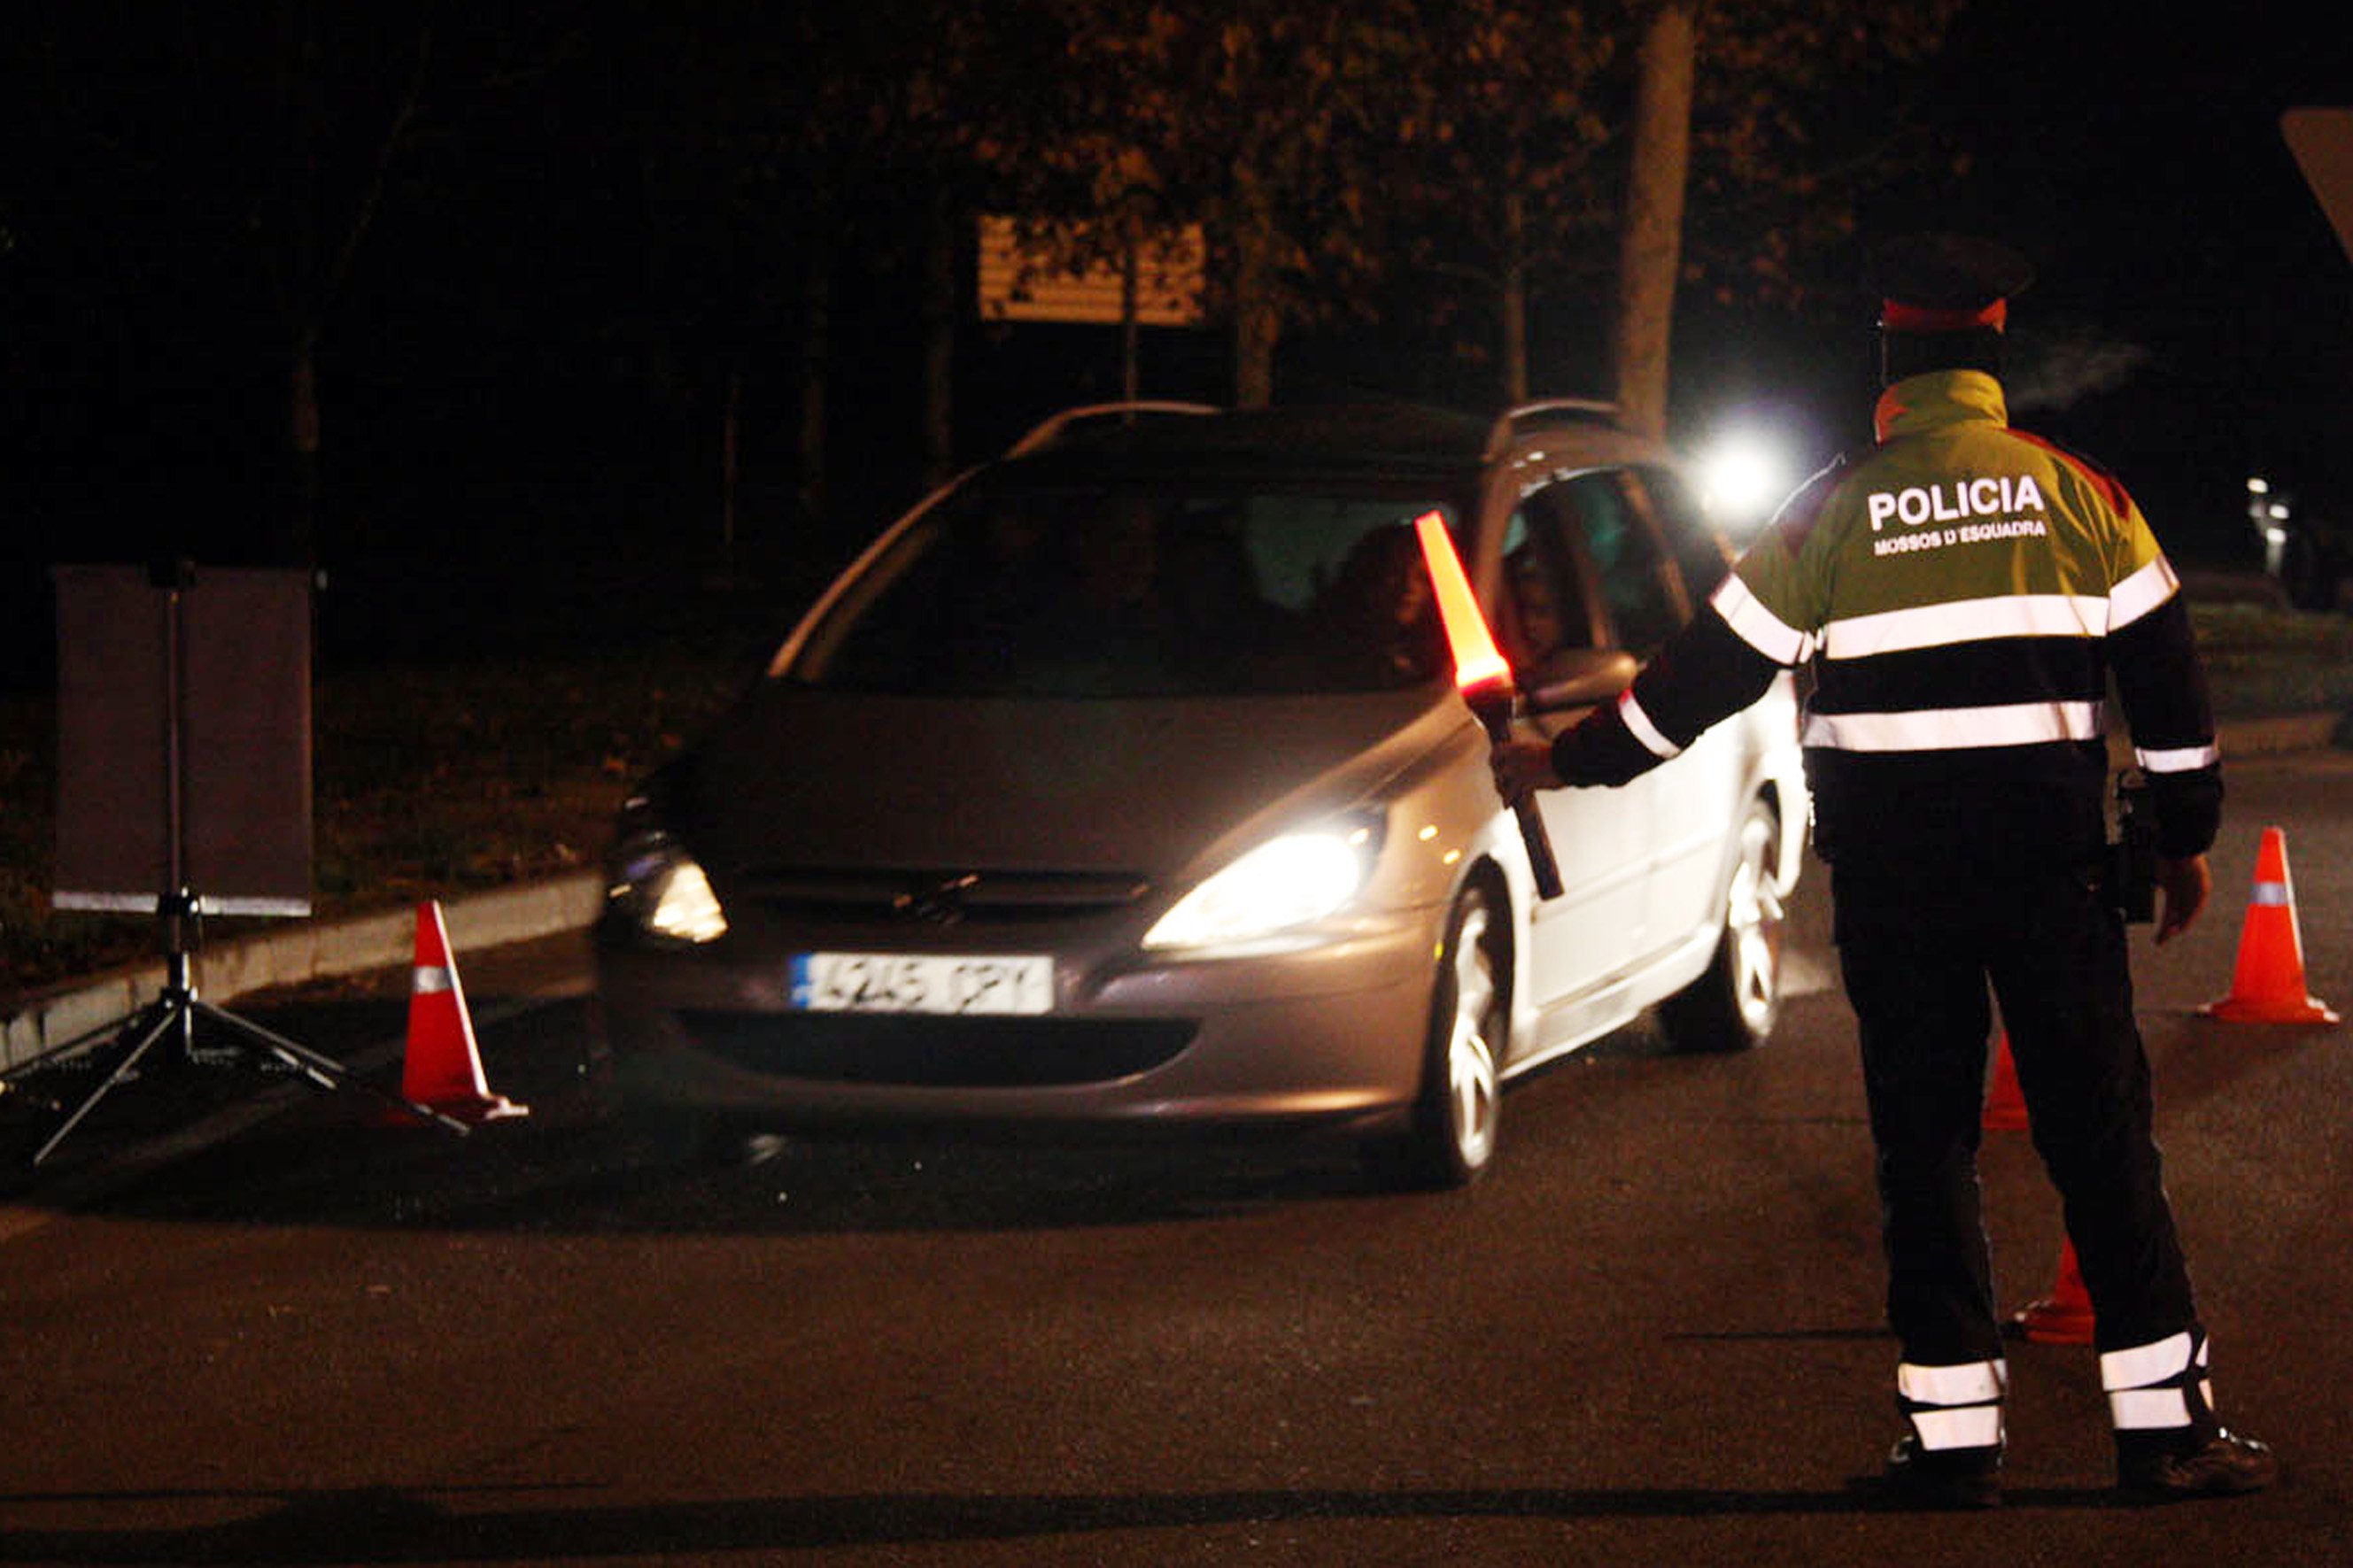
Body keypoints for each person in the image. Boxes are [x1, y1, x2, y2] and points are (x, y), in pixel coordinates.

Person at [1490, 233, 2278, 1508]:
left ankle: (1954, 1443)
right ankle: (2163, 1434)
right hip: (2053, 880)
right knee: (2099, 1140)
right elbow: (2169, 687)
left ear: (1890, 369)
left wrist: (1566, 761)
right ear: (1990, 363)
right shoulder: (2081, 496)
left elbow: (1701, 680)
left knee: (1924, 1149)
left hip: (1898, 892)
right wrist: (2180, 835)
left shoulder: (1826, 510)